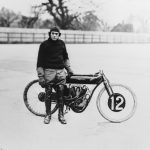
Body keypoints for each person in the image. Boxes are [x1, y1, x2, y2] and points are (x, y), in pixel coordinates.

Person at [36, 26, 73, 124]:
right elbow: (39, 63)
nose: (54, 35)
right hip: (49, 72)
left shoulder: (61, 44)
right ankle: (48, 115)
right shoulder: (44, 45)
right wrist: (41, 76)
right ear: (50, 34)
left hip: (61, 73)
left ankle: (61, 115)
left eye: (56, 34)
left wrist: (69, 69)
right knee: (48, 94)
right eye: (53, 33)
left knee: (61, 95)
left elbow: (65, 57)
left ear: (59, 35)